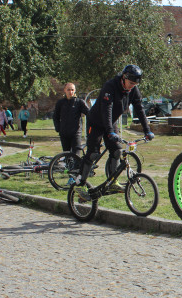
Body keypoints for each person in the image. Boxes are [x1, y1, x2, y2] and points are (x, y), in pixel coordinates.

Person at [75, 65, 153, 198]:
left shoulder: (133, 90)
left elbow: (139, 110)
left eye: (135, 84)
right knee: (93, 154)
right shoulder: (110, 86)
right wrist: (110, 131)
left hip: (111, 123)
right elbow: (107, 109)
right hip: (96, 122)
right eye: (131, 83)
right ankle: (80, 182)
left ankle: (112, 182)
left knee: (117, 151)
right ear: (124, 77)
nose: (132, 86)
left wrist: (147, 130)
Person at [53, 83, 89, 156]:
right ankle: (68, 167)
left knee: (76, 154)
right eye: (68, 90)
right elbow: (55, 116)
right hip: (64, 132)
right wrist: (58, 128)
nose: (70, 92)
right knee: (66, 155)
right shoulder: (60, 103)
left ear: (75, 91)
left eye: (72, 90)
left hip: (75, 132)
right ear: (65, 90)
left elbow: (89, 113)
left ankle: (77, 167)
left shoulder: (79, 102)